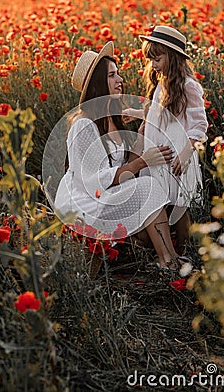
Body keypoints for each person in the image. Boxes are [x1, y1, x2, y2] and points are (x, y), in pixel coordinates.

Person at [53, 41, 190, 271]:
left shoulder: (112, 117)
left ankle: (163, 255)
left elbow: (121, 168)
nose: (120, 80)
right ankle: (169, 261)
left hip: (107, 194)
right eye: (112, 76)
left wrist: (141, 136)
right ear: (98, 84)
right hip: (87, 202)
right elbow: (93, 181)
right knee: (147, 187)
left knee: (149, 198)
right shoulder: (84, 125)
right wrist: (142, 162)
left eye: (118, 74)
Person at [122, 25, 208, 255]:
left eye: (157, 58)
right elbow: (160, 115)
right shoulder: (162, 83)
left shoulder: (189, 87)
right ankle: (173, 251)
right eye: (151, 60)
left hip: (178, 156)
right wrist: (137, 113)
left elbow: (200, 125)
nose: (154, 65)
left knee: (180, 208)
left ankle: (189, 252)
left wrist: (186, 153)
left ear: (173, 57)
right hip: (160, 156)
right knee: (163, 203)